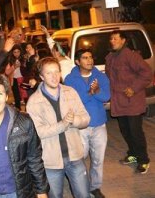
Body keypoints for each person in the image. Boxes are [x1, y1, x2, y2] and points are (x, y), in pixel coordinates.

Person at [26, 57, 90, 198]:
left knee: (84, 195)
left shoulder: (70, 92)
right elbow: (38, 132)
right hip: (50, 162)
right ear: (41, 76)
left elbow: (86, 119)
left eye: (57, 72)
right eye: (49, 73)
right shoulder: (34, 101)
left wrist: (74, 120)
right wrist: (63, 125)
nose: (54, 76)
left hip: (75, 157)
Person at [65, 49, 110, 198]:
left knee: (98, 159)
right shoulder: (70, 80)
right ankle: (81, 186)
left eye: (91, 57)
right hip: (80, 127)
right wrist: (90, 94)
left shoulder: (101, 77)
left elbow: (106, 97)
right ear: (77, 61)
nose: (89, 60)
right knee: (79, 159)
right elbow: (73, 103)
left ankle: (94, 187)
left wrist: (97, 92)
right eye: (85, 58)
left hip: (99, 125)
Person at [105, 30, 152, 174]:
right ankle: (133, 155)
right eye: (111, 39)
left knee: (135, 131)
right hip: (119, 102)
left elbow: (147, 73)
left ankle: (144, 160)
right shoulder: (110, 58)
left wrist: (134, 88)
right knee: (125, 131)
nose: (112, 41)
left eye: (115, 38)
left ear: (123, 40)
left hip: (132, 101)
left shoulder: (131, 56)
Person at [4, 45, 27, 110]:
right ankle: (18, 111)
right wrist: (14, 66)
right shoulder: (10, 60)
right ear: (12, 53)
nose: (16, 54)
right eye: (15, 52)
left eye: (18, 52)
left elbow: (27, 70)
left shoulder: (24, 59)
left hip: (23, 79)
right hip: (14, 80)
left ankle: (27, 111)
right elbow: (7, 72)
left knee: (25, 96)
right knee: (17, 98)